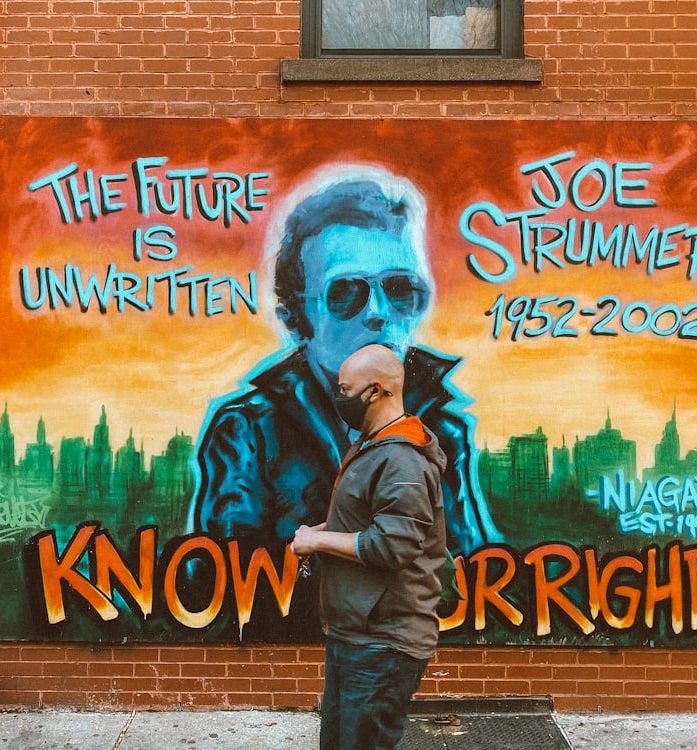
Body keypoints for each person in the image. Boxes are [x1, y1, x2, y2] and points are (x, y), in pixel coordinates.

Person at [188, 165, 499, 605]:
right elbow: (222, 593)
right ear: (298, 320)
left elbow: (472, 584)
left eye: (400, 289)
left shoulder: (443, 434)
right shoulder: (248, 434)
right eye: (345, 292)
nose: (378, 312)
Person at [292, 344, 446, 750]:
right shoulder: (372, 446)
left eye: (346, 390)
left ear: (376, 391)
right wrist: (325, 530)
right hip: (355, 635)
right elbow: (370, 522)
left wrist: (318, 539)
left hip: (383, 643)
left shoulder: (402, 461)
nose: (339, 399)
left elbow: (393, 545)